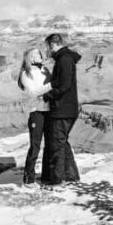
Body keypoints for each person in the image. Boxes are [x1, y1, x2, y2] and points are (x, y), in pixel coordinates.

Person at [42, 33, 81, 187]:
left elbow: (64, 86)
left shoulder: (64, 60)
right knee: (62, 143)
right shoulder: (65, 58)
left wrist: (47, 96)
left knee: (56, 146)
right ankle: (71, 176)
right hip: (67, 109)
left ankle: (57, 181)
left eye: (48, 47)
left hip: (62, 110)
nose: (48, 50)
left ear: (53, 45)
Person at [17, 47, 53, 186]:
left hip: (49, 111)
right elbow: (33, 92)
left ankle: (47, 177)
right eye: (35, 54)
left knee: (49, 146)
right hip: (36, 112)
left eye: (39, 53)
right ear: (29, 58)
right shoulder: (26, 74)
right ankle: (28, 179)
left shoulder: (45, 70)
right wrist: (51, 85)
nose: (39, 55)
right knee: (35, 146)